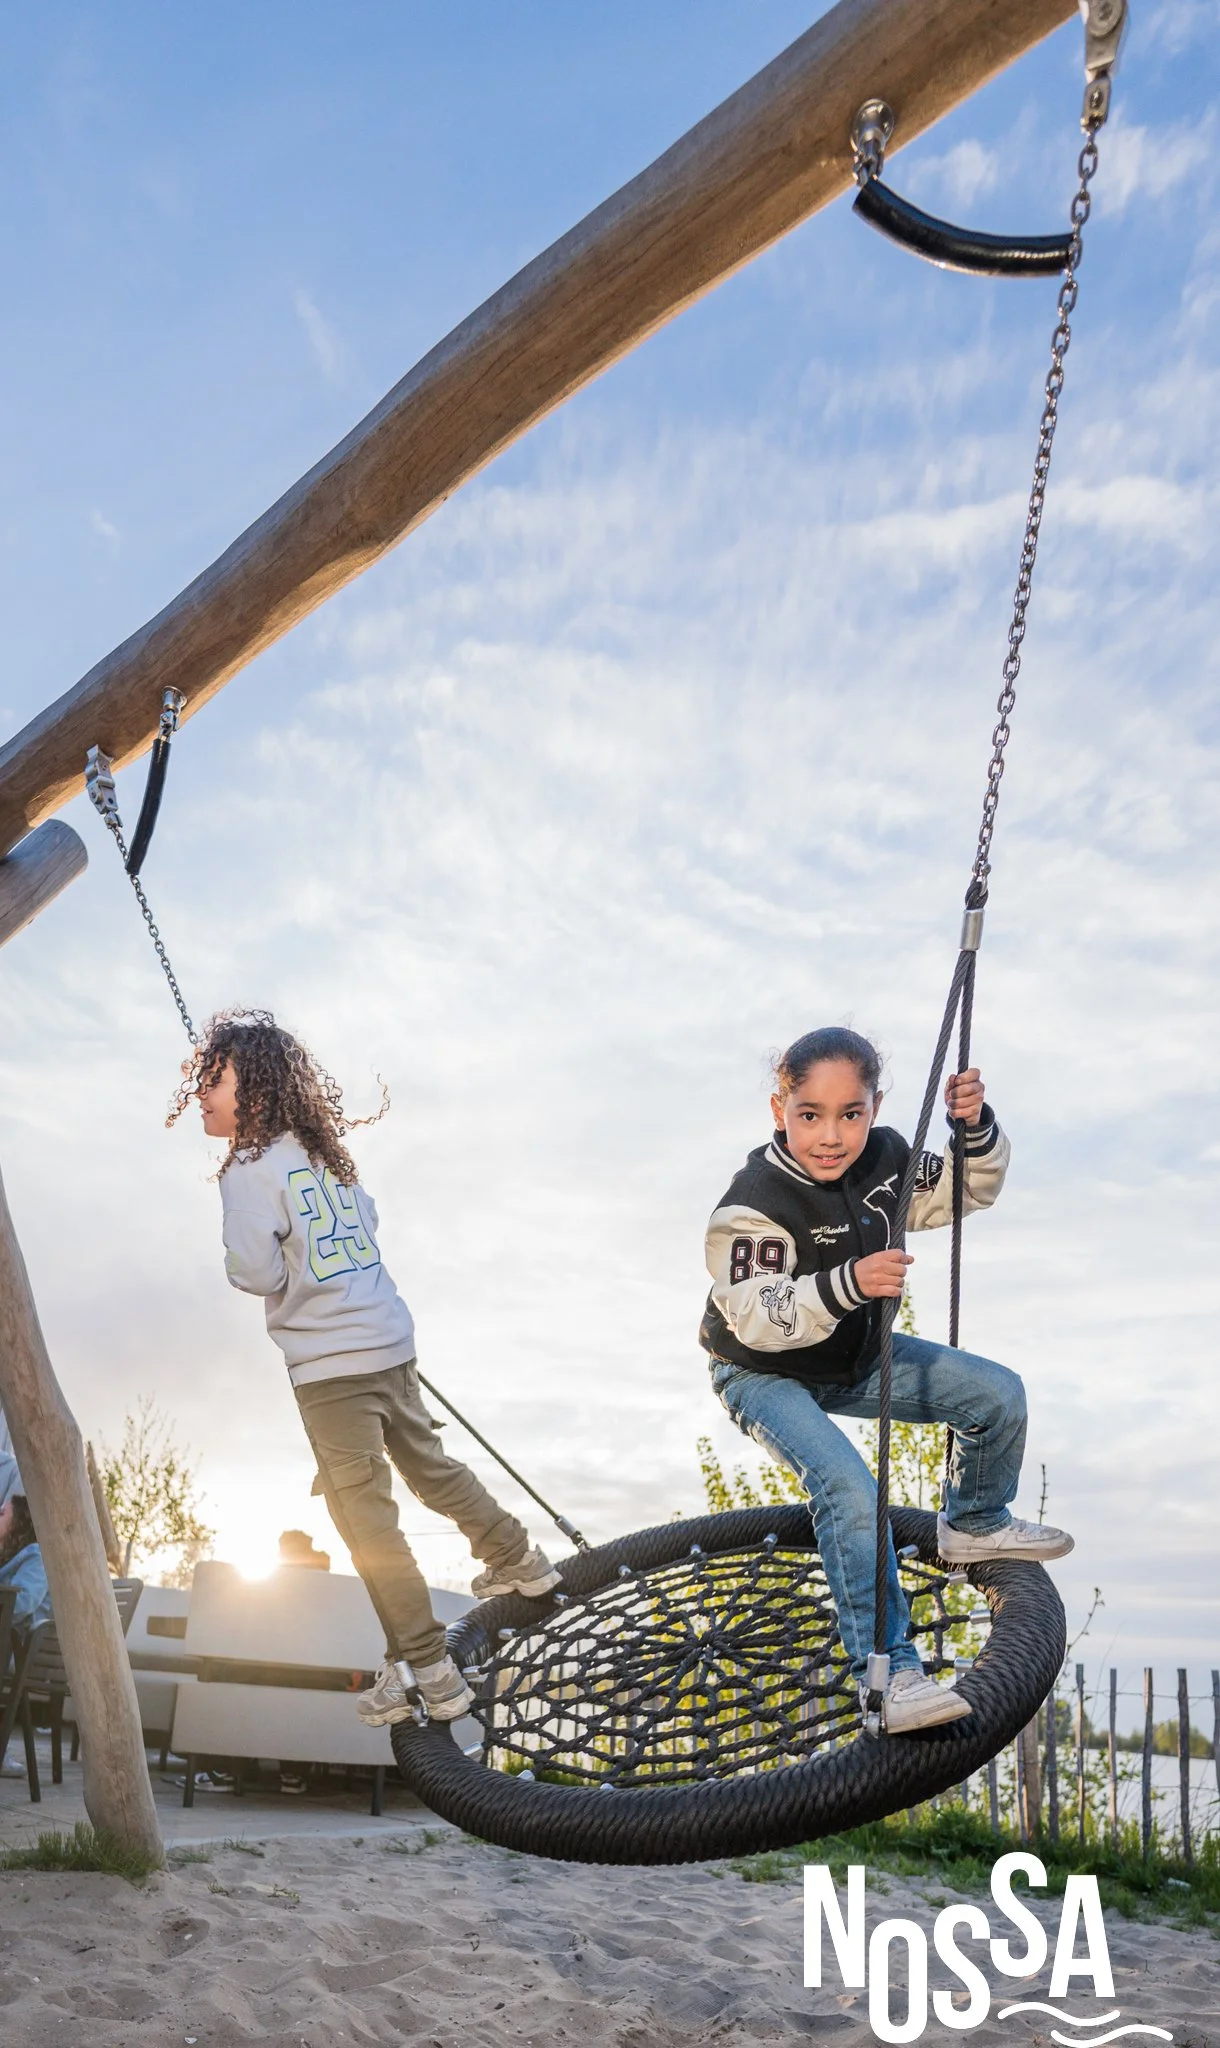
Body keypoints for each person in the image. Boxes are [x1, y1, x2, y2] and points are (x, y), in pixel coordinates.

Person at [170, 1010, 559, 1727]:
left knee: (367, 1521)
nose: (200, 1093)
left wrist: (245, 1258)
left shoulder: (246, 1173)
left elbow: (254, 1272)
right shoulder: (324, 1156)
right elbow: (366, 1229)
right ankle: (518, 1556)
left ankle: (429, 1669)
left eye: (212, 1080)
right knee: (430, 1466)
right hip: (390, 1341)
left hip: (330, 1370)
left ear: (253, 1091)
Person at [701, 1025, 1072, 1737]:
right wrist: (847, 1282)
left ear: (874, 1107)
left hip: (852, 1356)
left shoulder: (887, 1160)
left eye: (852, 1113)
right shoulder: (752, 1202)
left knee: (998, 1396)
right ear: (779, 1109)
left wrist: (975, 1128)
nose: (832, 1136)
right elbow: (756, 1317)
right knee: (847, 1487)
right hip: (761, 1371)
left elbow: (961, 1195)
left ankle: (972, 1521)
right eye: (810, 1115)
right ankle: (888, 1673)